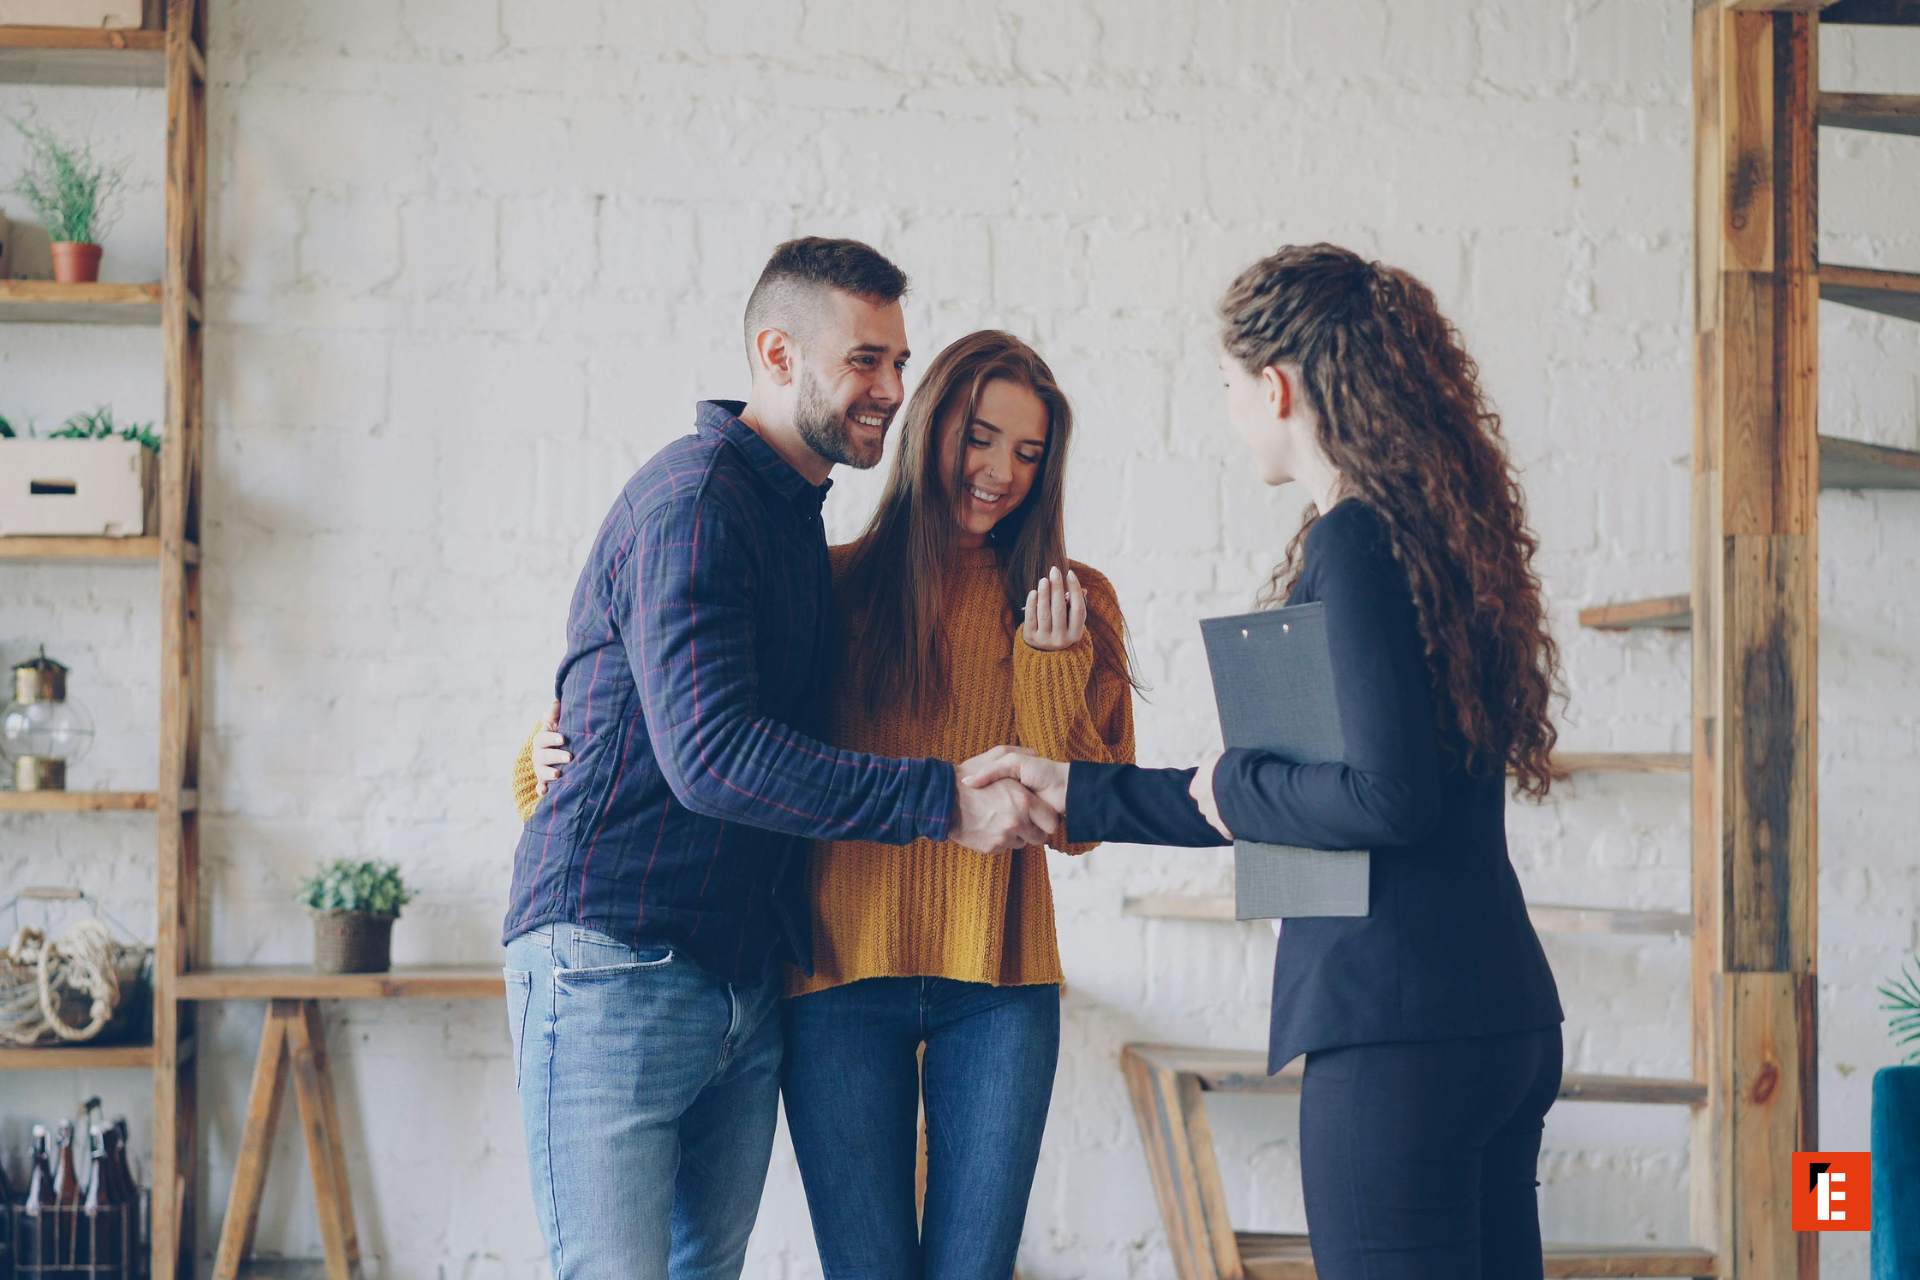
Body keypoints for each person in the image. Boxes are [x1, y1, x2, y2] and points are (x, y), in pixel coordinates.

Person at [966, 244, 1567, 1280]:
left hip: (1398, 1029)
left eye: (1229, 383)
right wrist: (1080, 785)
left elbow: (1382, 797)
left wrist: (1232, 781)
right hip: (1498, 1018)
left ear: (1275, 384)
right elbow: (1302, 794)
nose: (1231, 406)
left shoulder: (1357, 542)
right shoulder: (1436, 540)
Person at [521, 330, 1139, 1279]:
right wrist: (542, 758)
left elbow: (1081, 824)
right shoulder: (832, 582)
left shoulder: (1070, 601)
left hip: (1002, 986)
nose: (1000, 472)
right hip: (838, 982)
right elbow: (708, 724)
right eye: (979, 437)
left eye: (1028, 453)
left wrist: (1049, 671)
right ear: (929, 428)